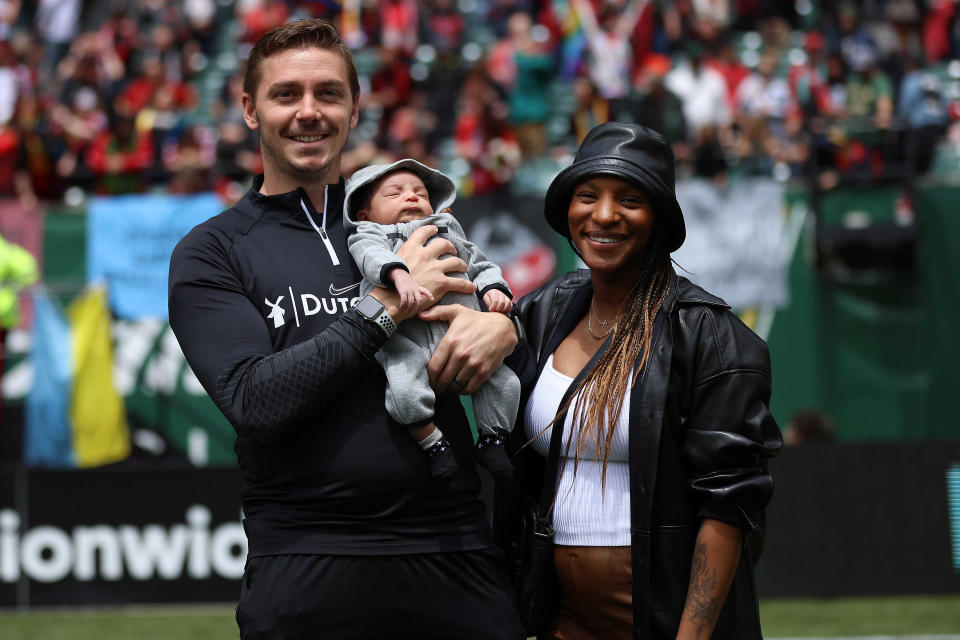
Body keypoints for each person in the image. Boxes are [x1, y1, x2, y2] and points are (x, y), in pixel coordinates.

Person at [168, 18, 525, 639]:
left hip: (456, 549)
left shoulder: (407, 223)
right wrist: (384, 307)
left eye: (328, 94)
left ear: (355, 108)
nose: (309, 112)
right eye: (287, 95)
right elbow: (255, 402)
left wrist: (506, 326)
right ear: (250, 109)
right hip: (308, 560)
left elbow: (490, 297)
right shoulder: (212, 251)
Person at [495, 122, 782, 639]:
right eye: (588, 196)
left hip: (662, 614)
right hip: (558, 614)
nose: (604, 215)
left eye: (630, 199)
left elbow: (729, 507)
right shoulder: (542, 312)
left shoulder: (708, 335)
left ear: (658, 218)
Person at [343, 158, 520, 483]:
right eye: (395, 193)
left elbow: (479, 263)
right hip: (405, 338)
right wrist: (399, 274)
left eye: (420, 193)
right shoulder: (368, 233)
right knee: (402, 386)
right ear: (364, 215)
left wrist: (494, 288)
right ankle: (431, 441)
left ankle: (493, 438)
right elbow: (371, 257)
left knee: (506, 382)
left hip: (462, 331)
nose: (411, 197)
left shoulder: (448, 230)